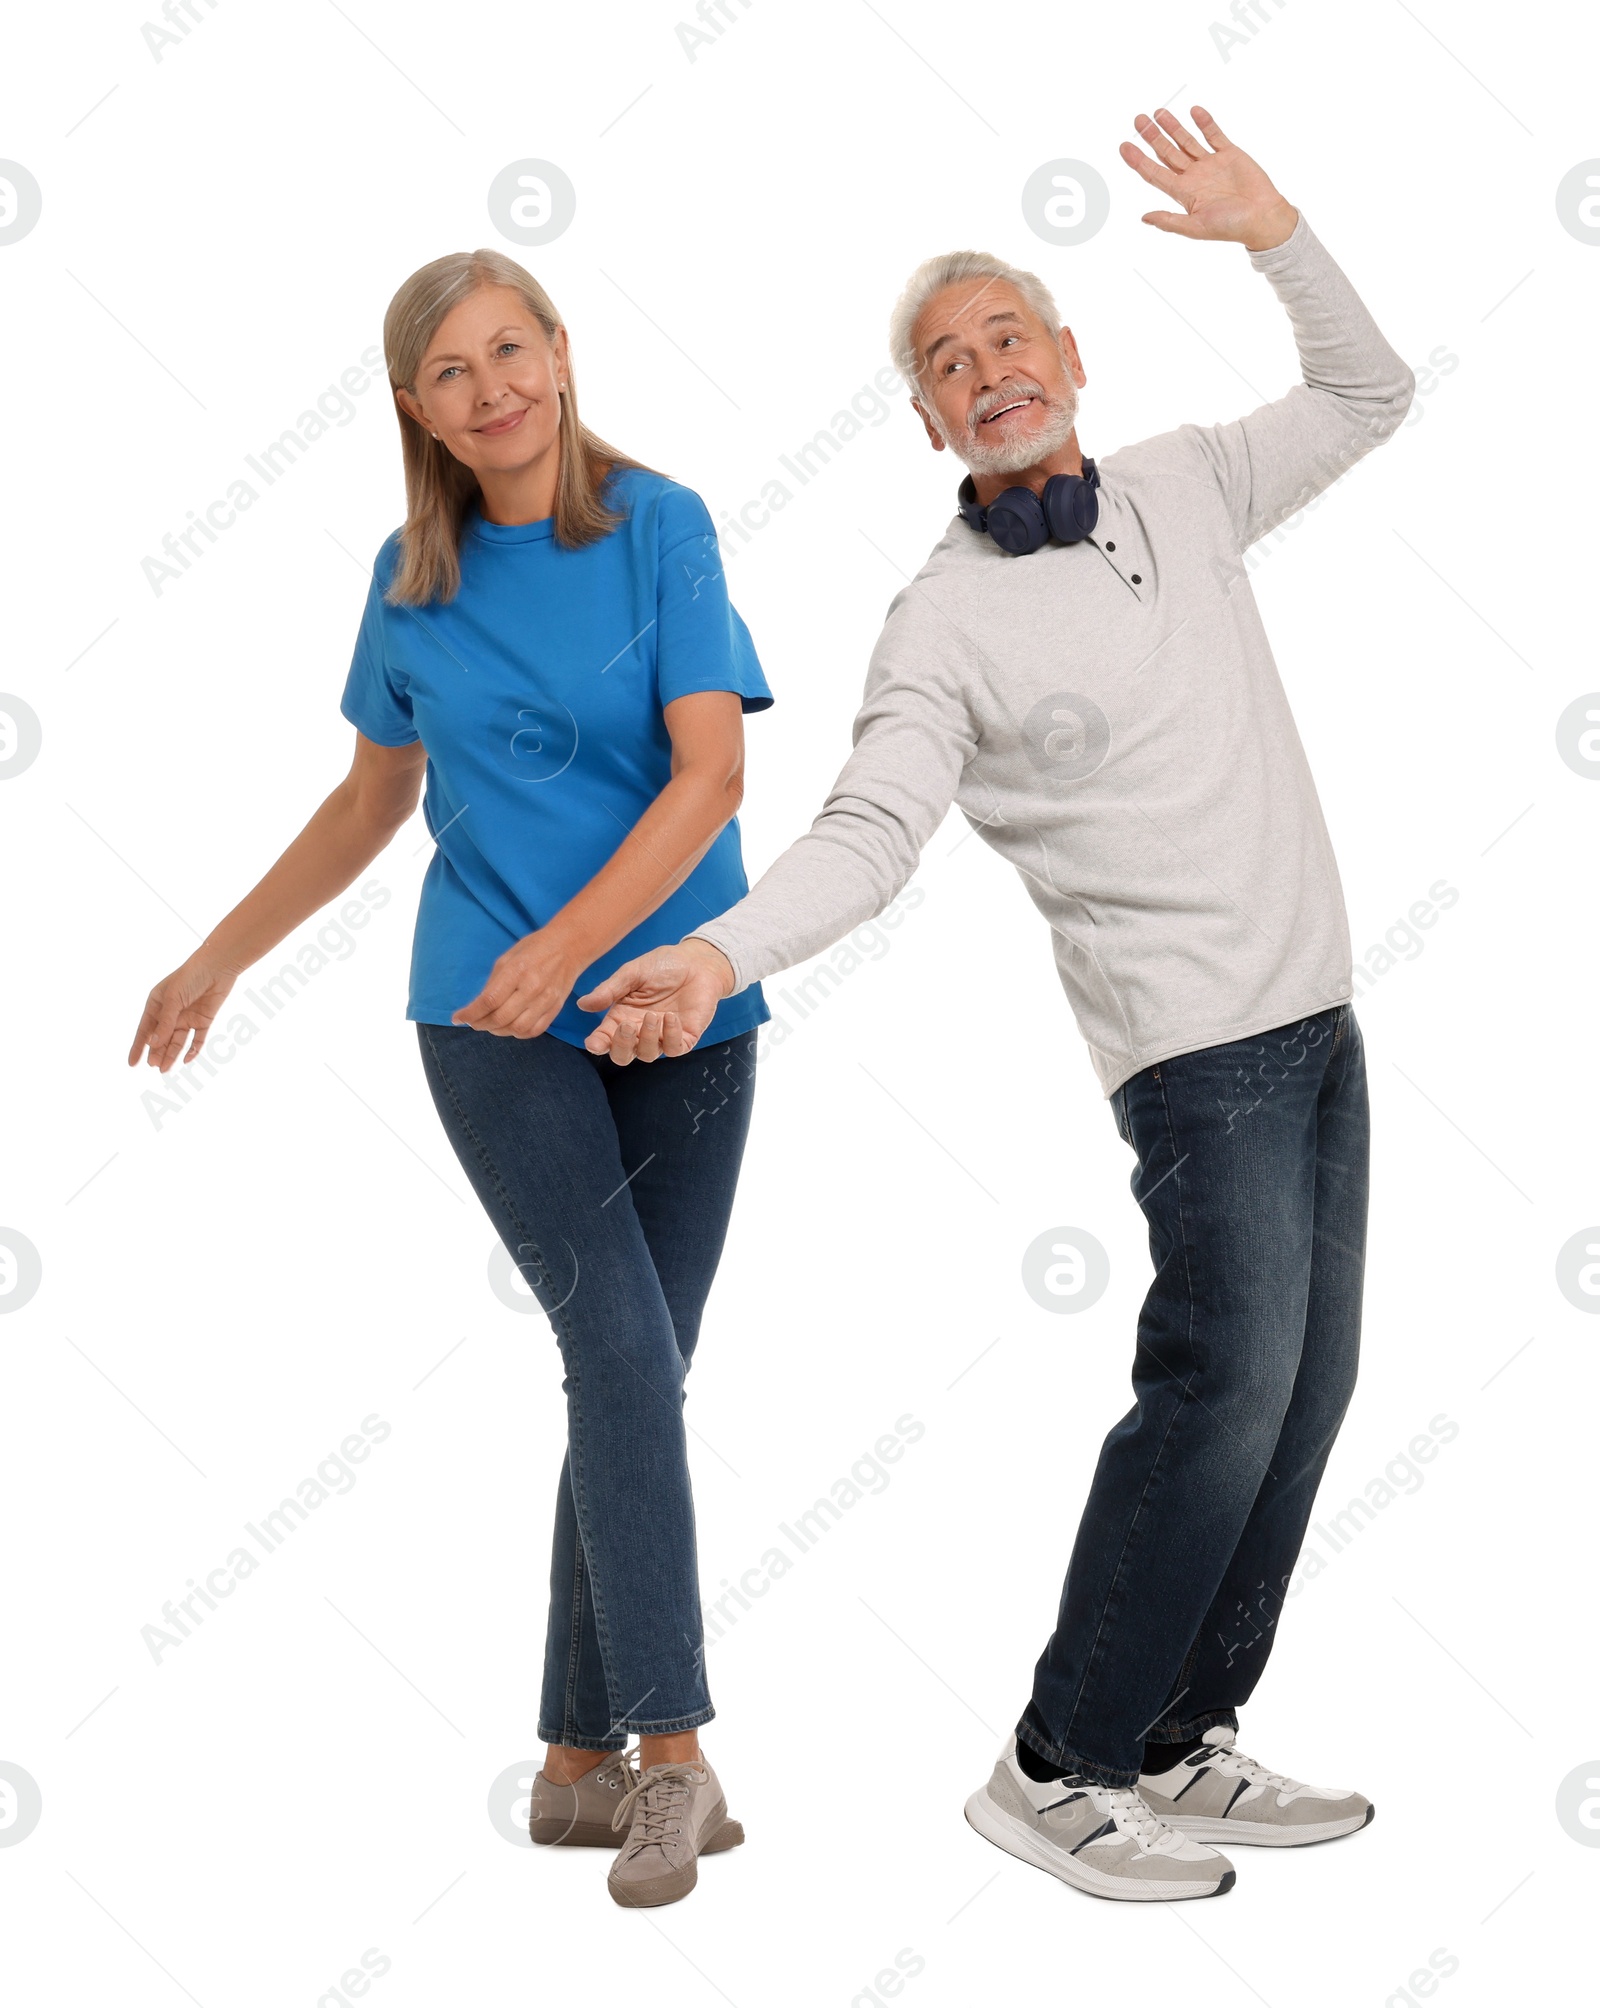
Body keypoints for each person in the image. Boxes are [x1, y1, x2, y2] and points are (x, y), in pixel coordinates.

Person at [578, 108, 1414, 1903]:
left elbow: (1367, 396)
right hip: (1199, 1064)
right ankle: (1057, 1763)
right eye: (948, 365)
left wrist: (1279, 232)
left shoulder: (1189, 482)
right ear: (931, 425)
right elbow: (865, 833)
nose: (986, 373)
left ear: (1070, 359)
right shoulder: (938, 625)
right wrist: (720, 951)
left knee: (1309, 1391)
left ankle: (1182, 1732)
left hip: (1325, 1017)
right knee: (1219, 1390)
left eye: (1006, 337)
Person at [128, 246, 772, 1910]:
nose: (489, 388)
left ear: (561, 353)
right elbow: (366, 803)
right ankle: (673, 1764)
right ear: (414, 405)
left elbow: (712, 776)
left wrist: (583, 946)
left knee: (639, 1375)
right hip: (487, 1016)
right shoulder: (407, 579)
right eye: (450, 369)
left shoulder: (661, 524)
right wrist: (221, 950)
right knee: (620, 1349)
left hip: (681, 1003)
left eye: (510, 350)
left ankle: (570, 1768)